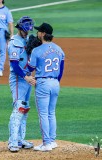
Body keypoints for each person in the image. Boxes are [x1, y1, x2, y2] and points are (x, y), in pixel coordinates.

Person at [27, 22, 65, 152]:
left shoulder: (36, 50)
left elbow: (30, 69)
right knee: (51, 113)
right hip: (55, 83)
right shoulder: (59, 49)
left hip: (43, 83)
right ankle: (53, 141)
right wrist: (55, 81)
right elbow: (61, 70)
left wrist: (28, 58)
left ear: (43, 34)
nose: (37, 33)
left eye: (39, 31)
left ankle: (46, 143)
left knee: (43, 114)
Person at [7, 16, 36, 152]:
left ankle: (20, 139)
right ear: (20, 29)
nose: (28, 32)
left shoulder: (27, 40)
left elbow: (29, 62)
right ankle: (12, 142)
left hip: (27, 78)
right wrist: (26, 77)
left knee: (25, 110)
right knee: (18, 108)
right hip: (19, 79)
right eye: (26, 30)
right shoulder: (14, 42)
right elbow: (15, 65)